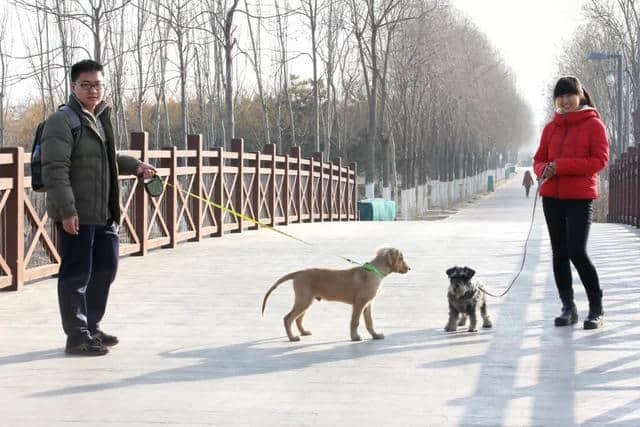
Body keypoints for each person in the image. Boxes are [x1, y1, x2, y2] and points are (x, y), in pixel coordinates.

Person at [41, 59, 156, 355]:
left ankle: (91, 327)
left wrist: (134, 164)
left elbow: (106, 156)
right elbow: (55, 169)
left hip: (104, 212)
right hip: (77, 213)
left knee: (106, 268)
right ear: (73, 87)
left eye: (98, 84)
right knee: (76, 275)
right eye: (86, 85)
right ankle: (77, 336)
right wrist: (67, 210)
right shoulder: (62, 121)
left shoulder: (100, 116)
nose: (93, 90)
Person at [533, 76, 608, 330]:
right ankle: (568, 307)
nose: (565, 101)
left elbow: (599, 161)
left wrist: (561, 166)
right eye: (560, 96)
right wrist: (544, 169)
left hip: (579, 196)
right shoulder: (550, 128)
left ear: (580, 96)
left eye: (569, 96)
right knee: (559, 253)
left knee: (577, 251)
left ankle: (596, 308)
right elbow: (538, 159)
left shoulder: (594, 125)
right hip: (552, 197)